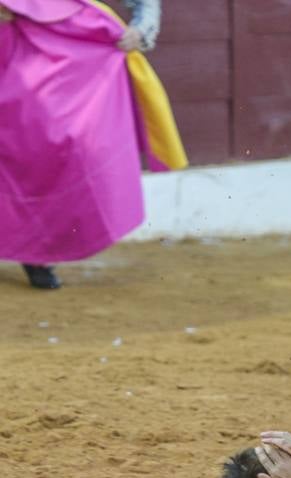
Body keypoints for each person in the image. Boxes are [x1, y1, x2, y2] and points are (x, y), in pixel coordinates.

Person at [1, 0, 183, 290]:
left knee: (45, 146)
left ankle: (36, 250)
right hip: (9, 35)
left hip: (64, 43)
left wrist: (142, 29)